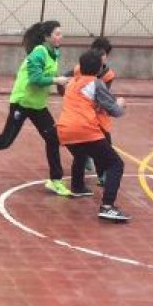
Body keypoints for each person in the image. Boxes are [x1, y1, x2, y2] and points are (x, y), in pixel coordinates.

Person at [0, 20, 72, 196]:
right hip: (22, 101)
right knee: (5, 141)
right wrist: (56, 80)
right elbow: (35, 79)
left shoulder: (54, 52)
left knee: (53, 139)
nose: (60, 37)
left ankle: (55, 180)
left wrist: (59, 83)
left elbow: (46, 76)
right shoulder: (38, 53)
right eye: (57, 33)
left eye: (61, 33)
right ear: (47, 37)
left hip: (38, 104)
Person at [57, 48, 130, 222]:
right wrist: (119, 104)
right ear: (99, 69)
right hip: (85, 128)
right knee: (116, 164)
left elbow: (85, 101)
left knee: (80, 154)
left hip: (64, 129)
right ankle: (107, 206)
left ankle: (77, 186)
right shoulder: (96, 83)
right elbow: (114, 111)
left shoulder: (72, 83)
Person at [65, 37, 116, 183]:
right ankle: (84, 178)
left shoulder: (107, 74)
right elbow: (65, 78)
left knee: (104, 143)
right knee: (89, 143)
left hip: (94, 113)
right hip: (84, 114)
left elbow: (104, 95)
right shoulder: (79, 69)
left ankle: (102, 174)